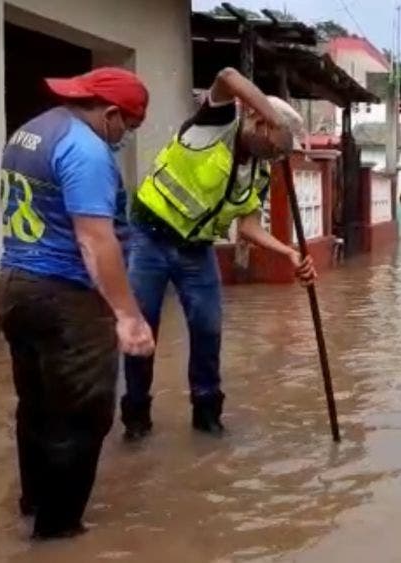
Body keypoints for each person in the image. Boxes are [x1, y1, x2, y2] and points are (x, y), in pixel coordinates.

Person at [0, 67, 155, 539]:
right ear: (110, 114)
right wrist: (127, 315)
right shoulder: (86, 150)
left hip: (15, 285)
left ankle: (33, 503)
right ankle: (58, 533)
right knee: (83, 414)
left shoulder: (30, 131)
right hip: (65, 296)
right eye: (129, 126)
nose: (125, 137)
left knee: (36, 405)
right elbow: (94, 240)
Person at [121, 67, 316, 441]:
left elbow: (248, 227)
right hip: (150, 238)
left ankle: (207, 414)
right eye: (277, 145)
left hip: (196, 250)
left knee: (208, 330)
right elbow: (226, 76)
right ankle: (136, 416)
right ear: (259, 122)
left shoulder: (259, 171)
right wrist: (273, 115)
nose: (277, 156)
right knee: (142, 331)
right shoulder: (216, 123)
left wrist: (288, 253)